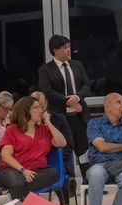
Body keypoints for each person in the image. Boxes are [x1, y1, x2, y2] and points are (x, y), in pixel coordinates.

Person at [0, 96, 67, 200]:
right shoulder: (12, 130)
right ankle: (19, 203)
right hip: (13, 170)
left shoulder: (44, 130)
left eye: (41, 108)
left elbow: (62, 143)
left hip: (36, 172)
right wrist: (23, 170)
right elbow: (6, 156)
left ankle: (11, 195)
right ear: (25, 111)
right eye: (36, 108)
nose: (41, 111)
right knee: (18, 181)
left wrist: (48, 123)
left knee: (53, 173)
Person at [38, 35, 91, 168]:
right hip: (60, 117)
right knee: (64, 153)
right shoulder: (45, 69)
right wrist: (68, 101)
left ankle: (88, 182)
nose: (68, 50)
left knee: (85, 152)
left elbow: (86, 85)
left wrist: (77, 98)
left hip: (79, 117)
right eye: (65, 48)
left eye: (69, 47)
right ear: (55, 50)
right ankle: (68, 185)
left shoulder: (77, 65)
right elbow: (48, 91)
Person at [31, 91, 76, 205]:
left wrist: (54, 158)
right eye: (35, 107)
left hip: (58, 162)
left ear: (46, 104)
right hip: (33, 163)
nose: (39, 110)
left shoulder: (59, 119)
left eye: (41, 106)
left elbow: (68, 145)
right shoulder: (26, 123)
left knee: (60, 174)